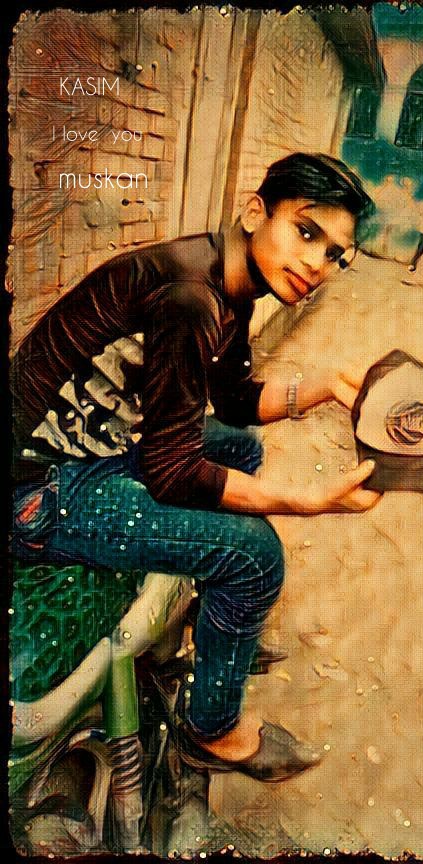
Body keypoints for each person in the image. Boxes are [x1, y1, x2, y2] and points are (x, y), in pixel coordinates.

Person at [11, 152, 381, 782]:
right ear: (255, 212)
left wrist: (324, 387)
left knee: (237, 445)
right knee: (255, 555)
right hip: (40, 492)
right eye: (306, 231)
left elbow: (233, 400)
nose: (317, 264)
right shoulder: (191, 297)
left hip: (96, 449)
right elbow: (175, 472)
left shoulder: (228, 275)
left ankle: (215, 632)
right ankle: (210, 730)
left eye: (334, 254)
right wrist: (309, 499)